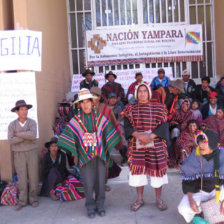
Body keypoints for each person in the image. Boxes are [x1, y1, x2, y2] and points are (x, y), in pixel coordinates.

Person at [57, 88, 122, 218]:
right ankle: (90, 206)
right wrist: (75, 154)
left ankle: (101, 205)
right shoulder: (75, 121)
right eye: (82, 102)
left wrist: (108, 147)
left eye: (88, 101)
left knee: (100, 182)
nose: (86, 104)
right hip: (84, 156)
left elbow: (109, 133)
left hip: (100, 155)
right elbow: (68, 138)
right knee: (88, 183)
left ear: (93, 102)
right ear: (79, 105)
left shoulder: (100, 118)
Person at [123, 83, 169, 212]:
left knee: (157, 172)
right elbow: (127, 126)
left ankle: (159, 199)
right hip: (137, 144)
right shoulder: (129, 108)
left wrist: (151, 136)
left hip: (156, 143)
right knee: (138, 173)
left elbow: (164, 125)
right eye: (140, 91)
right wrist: (139, 135)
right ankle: (139, 199)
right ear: (136, 94)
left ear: (149, 93)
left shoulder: (159, 107)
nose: (142, 94)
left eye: (145, 91)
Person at [178, 130, 224, 223]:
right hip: (200, 191)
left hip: (219, 189)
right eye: (199, 142)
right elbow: (188, 181)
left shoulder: (222, 154)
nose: (200, 145)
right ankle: (198, 214)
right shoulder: (195, 155)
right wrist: (191, 200)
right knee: (183, 208)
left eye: (204, 142)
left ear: (213, 144)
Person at [8, 100, 39, 210]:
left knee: (33, 176)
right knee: (21, 177)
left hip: (31, 152)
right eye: (21, 109)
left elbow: (33, 135)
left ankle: (33, 198)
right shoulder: (12, 125)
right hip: (19, 153)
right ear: (16, 111)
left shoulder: (32, 122)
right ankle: (22, 201)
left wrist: (18, 134)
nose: (24, 111)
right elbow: (11, 140)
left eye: (26, 109)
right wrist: (26, 136)